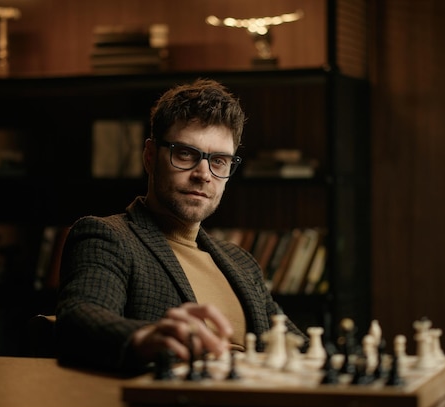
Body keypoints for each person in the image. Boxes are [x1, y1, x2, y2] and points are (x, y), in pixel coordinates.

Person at [55, 78, 307, 373]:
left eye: (220, 161)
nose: (204, 174)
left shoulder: (242, 263)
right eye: (186, 154)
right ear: (150, 156)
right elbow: (80, 317)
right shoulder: (107, 238)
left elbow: (299, 347)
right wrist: (143, 337)